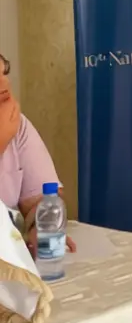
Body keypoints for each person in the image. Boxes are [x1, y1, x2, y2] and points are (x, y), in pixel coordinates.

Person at [0, 51, 74, 257]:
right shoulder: (7, 128)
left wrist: (42, 228)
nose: (4, 83)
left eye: (5, 72)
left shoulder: (17, 123)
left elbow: (44, 197)